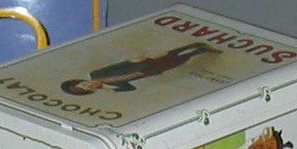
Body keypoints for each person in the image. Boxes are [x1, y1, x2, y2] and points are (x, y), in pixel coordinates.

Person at [60, 42, 216, 96]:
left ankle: (194, 45)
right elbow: (130, 88)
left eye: (83, 84)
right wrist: (107, 88)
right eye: (87, 88)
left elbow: (116, 66)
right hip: (147, 72)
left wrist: (132, 60)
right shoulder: (111, 86)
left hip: (140, 64)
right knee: (177, 62)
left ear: (82, 81)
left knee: (169, 54)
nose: (88, 85)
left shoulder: (95, 74)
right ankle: (199, 52)